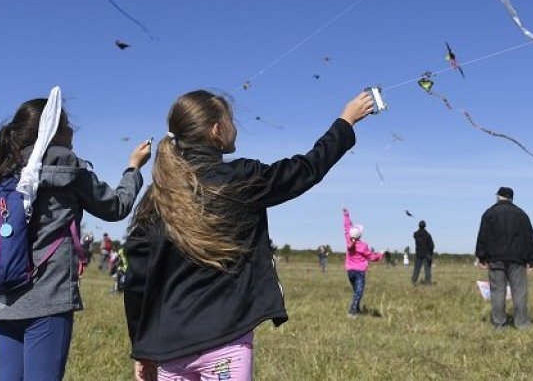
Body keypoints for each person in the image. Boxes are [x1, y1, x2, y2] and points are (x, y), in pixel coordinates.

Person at [124, 89, 373, 381]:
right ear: (216, 130)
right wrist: (345, 122)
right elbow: (305, 170)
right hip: (226, 341)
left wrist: (142, 347)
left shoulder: (156, 197)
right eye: (230, 119)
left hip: (169, 347)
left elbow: (137, 281)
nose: (235, 126)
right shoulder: (240, 179)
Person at [0, 90, 150, 381]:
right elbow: (117, 207)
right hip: (49, 295)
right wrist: (133, 167)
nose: (72, 129)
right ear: (52, 132)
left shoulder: (4, 172)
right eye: (66, 124)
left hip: (5, 294)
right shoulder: (71, 171)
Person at [475, 186, 533, 330]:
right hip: (517, 259)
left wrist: (481, 257)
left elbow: (482, 237)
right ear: (511, 198)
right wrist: (532, 259)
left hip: (495, 258)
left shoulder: (489, 213)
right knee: (519, 291)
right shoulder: (521, 214)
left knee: (497, 291)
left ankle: (499, 324)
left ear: (499, 196)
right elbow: (530, 237)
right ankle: (522, 324)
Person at [343, 208, 383, 317]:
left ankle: (357, 309)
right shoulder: (363, 245)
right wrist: (380, 255)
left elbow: (346, 227)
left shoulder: (348, 240)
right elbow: (371, 256)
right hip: (360, 272)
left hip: (350, 271)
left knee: (356, 291)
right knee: (358, 292)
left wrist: (346, 215)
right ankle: (352, 312)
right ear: (360, 235)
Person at [411, 220, 434, 285]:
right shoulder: (428, 235)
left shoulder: (416, 234)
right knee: (427, 270)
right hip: (427, 255)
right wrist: (430, 253)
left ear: (419, 225)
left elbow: (415, 236)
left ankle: (413, 281)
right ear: (425, 226)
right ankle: (428, 283)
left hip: (418, 255)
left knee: (416, 269)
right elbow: (432, 245)